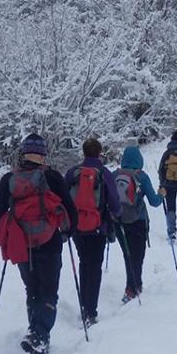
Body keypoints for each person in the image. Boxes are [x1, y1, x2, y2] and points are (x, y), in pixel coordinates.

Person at [0, 133, 77, 354]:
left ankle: (34, 330)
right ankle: (40, 337)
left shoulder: (10, 179)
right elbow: (70, 210)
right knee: (49, 292)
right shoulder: (53, 177)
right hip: (50, 245)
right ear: (43, 155)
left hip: (22, 246)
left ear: (23, 154)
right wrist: (66, 231)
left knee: (33, 289)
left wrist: (15, 222)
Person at [65, 138, 121, 328]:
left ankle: (84, 306)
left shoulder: (73, 173)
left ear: (83, 152)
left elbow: (63, 198)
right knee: (94, 267)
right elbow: (114, 204)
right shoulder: (104, 173)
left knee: (84, 263)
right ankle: (91, 311)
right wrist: (115, 215)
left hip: (77, 227)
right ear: (99, 153)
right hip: (98, 227)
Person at [113, 145, 163, 302]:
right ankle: (134, 286)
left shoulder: (114, 175)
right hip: (138, 221)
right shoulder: (142, 177)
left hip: (119, 222)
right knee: (137, 256)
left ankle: (132, 286)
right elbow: (154, 202)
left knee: (127, 254)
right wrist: (161, 194)